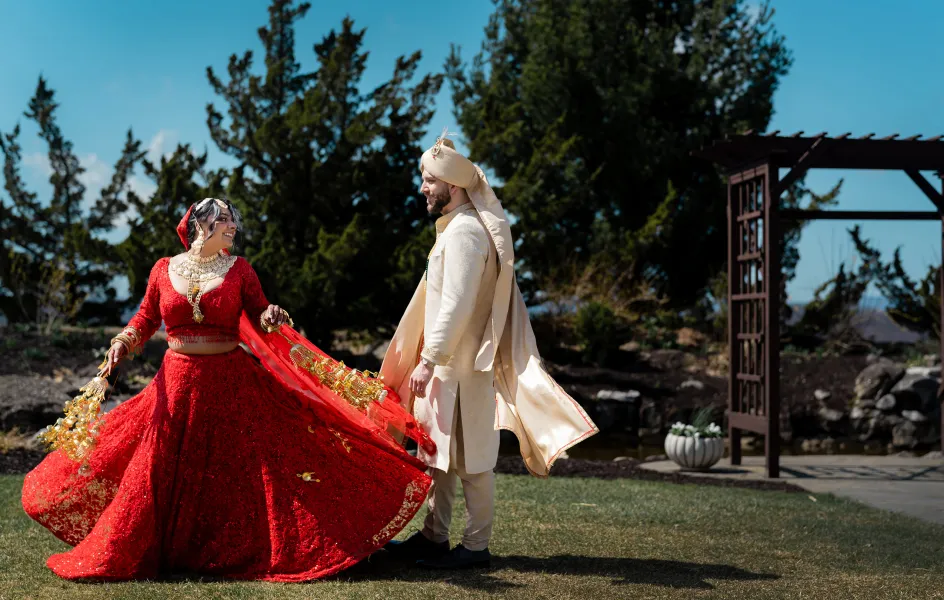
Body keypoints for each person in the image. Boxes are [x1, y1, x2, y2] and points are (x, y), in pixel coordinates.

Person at [22, 197, 435, 582]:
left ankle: (224, 551)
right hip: (176, 385)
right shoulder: (164, 269)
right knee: (159, 468)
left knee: (242, 470)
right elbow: (146, 317)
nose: (233, 226)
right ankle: (167, 550)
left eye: (234, 221)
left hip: (232, 384)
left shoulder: (240, 270)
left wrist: (271, 314)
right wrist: (121, 344)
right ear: (200, 224)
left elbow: (259, 315)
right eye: (224, 219)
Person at [380, 132, 599, 569]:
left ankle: (476, 547)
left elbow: (457, 306)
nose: (423, 188)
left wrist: (429, 360)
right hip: (450, 368)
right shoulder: (458, 229)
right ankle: (433, 537)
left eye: (428, 180)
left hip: (459, 368)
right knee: (437, 456)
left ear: (452, 185)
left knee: (473, 460)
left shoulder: (464, 234)